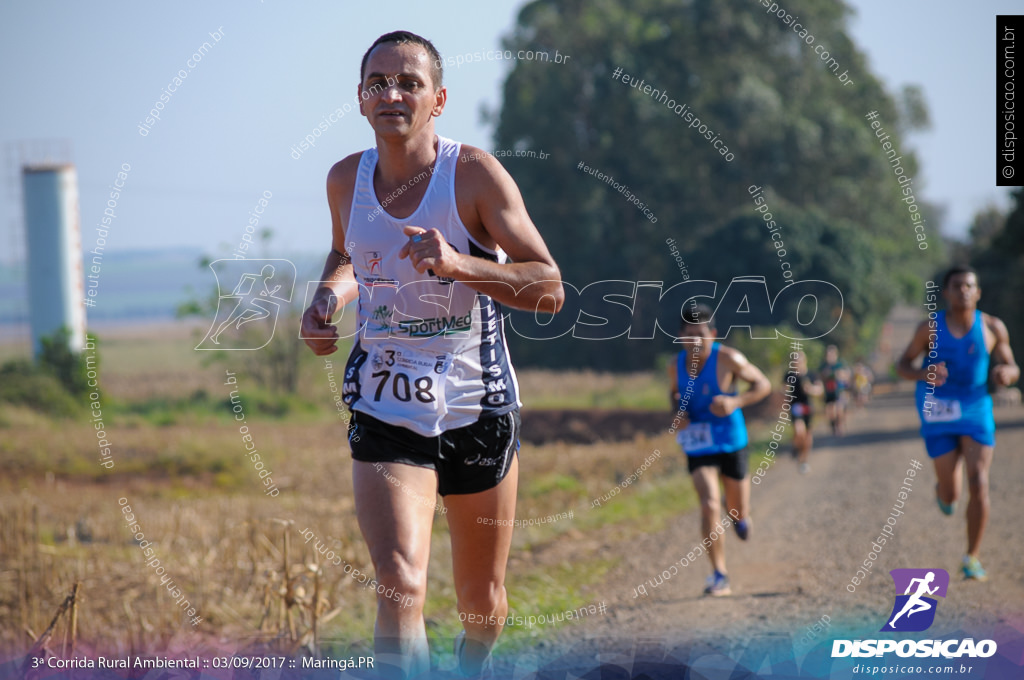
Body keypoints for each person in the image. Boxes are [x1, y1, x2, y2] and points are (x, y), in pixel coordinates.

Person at [300, 30, 563, 678]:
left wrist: (456, 263)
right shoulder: (343, 179)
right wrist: (328, 301)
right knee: (399, 584)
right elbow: (349, 255)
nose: (392, 93)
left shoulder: (472, 175)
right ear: (360, 99)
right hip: (388, 404)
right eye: (378, 83)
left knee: (481, 602)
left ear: (437, 98)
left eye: (408, 83)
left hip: (477, 404)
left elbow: (550, 288)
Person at [896, 266, 1019, 580]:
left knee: (979, 481)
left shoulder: (992, 327)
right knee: (952, 494)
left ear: (977, 292)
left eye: (969, 285)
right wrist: (924, 373)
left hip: (976, 406)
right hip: (938, 407)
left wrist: (1007, 374)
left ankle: (972, 557)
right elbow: (902, 365)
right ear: (946, 293)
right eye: (956, 286)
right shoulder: (931, 328)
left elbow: (1011, 365)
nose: (963, 290)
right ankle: (944, 491)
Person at [668, 304, 772, 596]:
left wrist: (734, 402)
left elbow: (763, 384)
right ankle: (719, 574)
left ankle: (740, 517)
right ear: (681, 337)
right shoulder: (674, 365)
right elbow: (674, 396)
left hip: (731, 440)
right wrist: (679, 414)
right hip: (699, 443)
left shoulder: (728, 359)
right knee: (709, 504)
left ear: (712, 334)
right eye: (689, 335)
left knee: (736, 511)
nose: (695, 341)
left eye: (701, 334)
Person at [784, 350, 822, 474]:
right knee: (799, 431)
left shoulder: (811, 374)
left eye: (799, 360)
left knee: (807, 436)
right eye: (794, 361)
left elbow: (820, 389)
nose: (796, 363)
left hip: (808, 407)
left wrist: (811, 389)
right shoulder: (789, 375)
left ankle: (804, 460)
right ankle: (796, 447)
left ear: (804, 361)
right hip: (795, 407)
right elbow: (783, 390)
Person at [819, 344, 850, 435]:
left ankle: (840, 425)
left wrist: (841, 375)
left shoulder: (841, 364)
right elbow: (819, 378)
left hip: (839, 391)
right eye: (828, 354)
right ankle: (833, 424)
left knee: (839, 409)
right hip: (829, 392)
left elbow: (847, 375)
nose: (830, 356)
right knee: (830, 412)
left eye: (832, 354)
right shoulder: (824, 366)